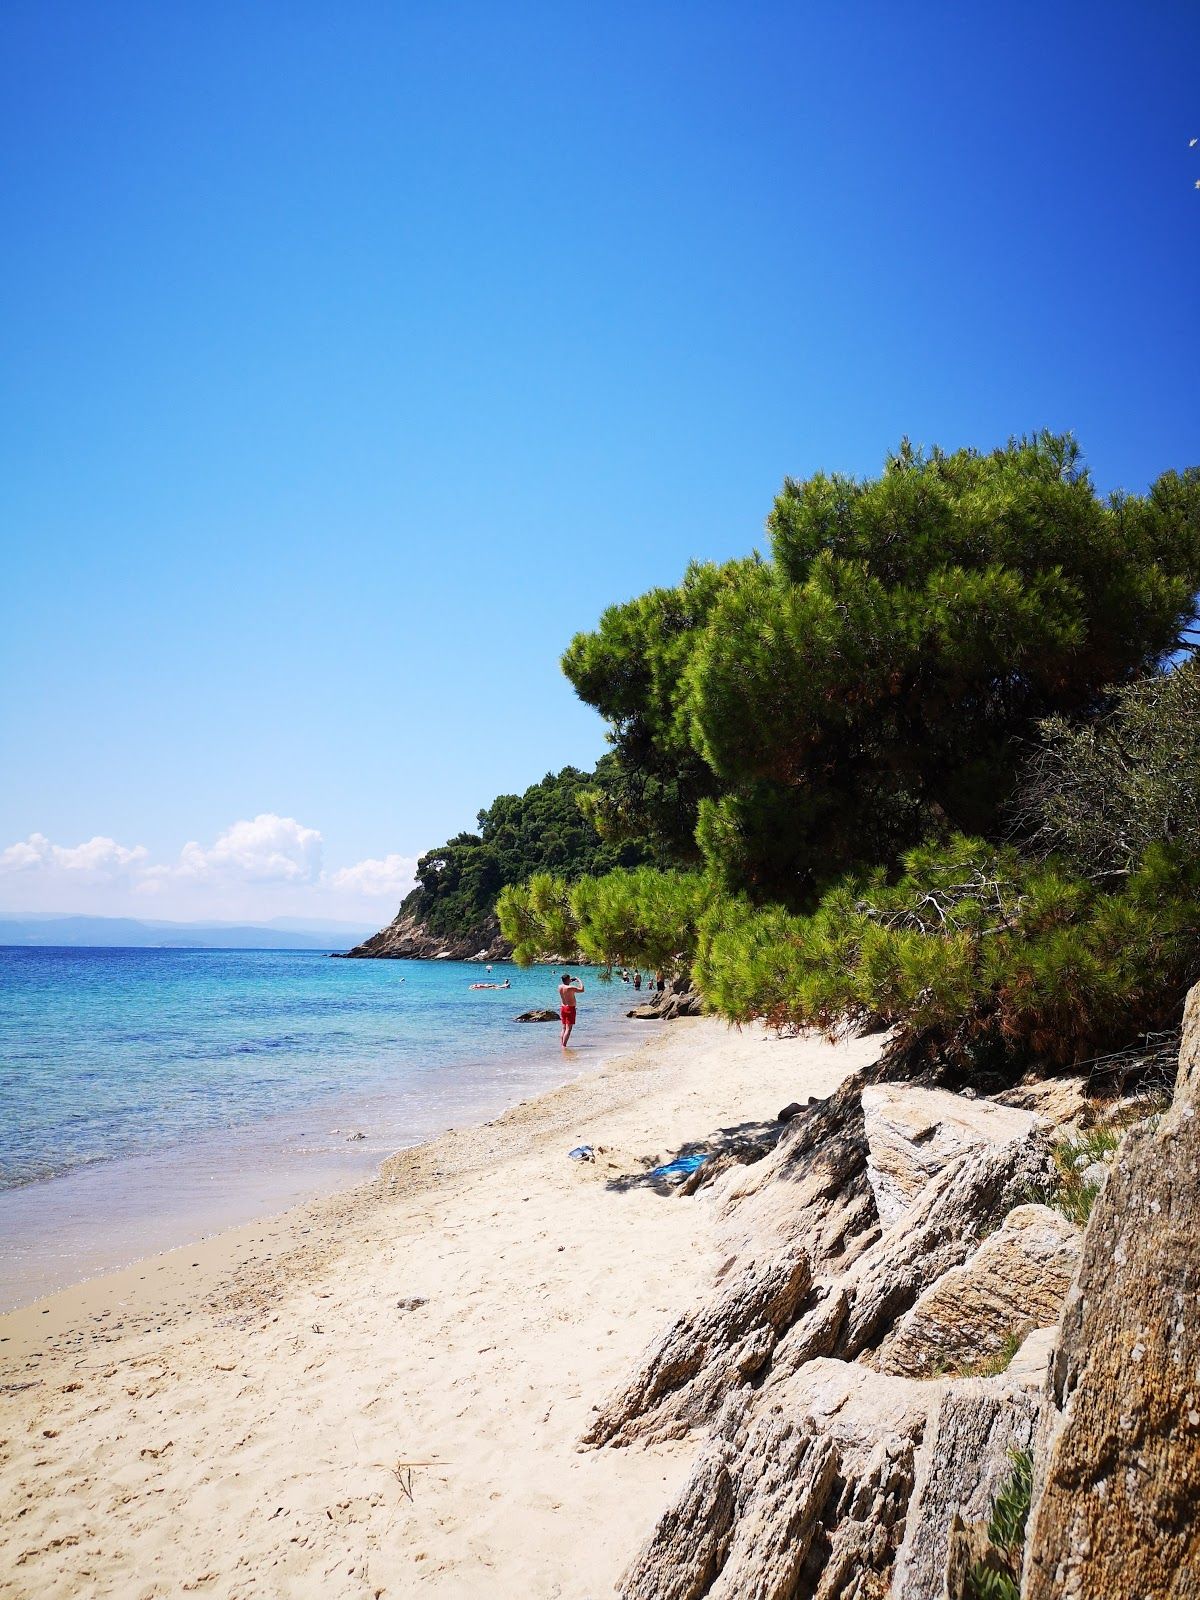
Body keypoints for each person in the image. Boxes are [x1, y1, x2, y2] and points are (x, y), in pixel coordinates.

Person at [558, 970, 585, 1047]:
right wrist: (579, 980)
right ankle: (564, 1045)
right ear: (567, 980)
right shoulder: (570, 988)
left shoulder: (560, 987)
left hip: (563, 1008)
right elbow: (582, 990)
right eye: (569, 979)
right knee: (568, 1029)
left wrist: (571, 980)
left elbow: (566, 984)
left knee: (563, 1028)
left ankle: (562, 1044)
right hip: (570, 1009)